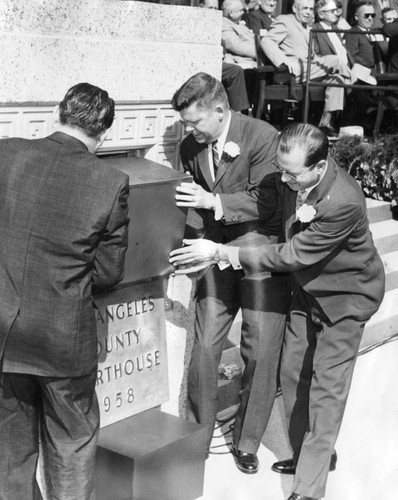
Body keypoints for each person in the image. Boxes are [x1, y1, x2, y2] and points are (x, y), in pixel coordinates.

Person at [170, 122, 385, 500]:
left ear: (320, 168)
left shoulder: (344, 201)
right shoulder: (292, 177)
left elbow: (292, 254)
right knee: (291, 373)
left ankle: (310, 487)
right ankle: (309, 453)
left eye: (292, 173)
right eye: (280, 169)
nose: (283, 179)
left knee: (325, 391)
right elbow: (264, 204)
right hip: (307, 290)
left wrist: (221, 253)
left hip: (345, 300)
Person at [0, 83, 130, 499]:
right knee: (71, 443)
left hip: (5, 333)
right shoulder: (110, 182)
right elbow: (109, 273)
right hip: (63, 341)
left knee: (11, 446)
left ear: (58, 113)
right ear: (103, 133)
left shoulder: (7, 153)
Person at [171, 73, 290, 474]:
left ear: (220, 111)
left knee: (260, 350)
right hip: (213, 257)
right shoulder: (191, 146)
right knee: (205, 348)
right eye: (186, 123)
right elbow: (190, 202)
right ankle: (197, 436)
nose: (189, 131)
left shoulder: (262, 136)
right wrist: (190, 249)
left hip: (259, 257)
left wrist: (214, 200)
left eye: (194, 122)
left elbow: (268, 200)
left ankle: (246, 441)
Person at [260, 0, 352, 136]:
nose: (308, 12)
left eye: (310, 9)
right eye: (304, 8)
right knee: (336, 60)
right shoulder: (285, 21)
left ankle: (325, 122)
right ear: (294, 8)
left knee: (337, 79)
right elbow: (266, 41)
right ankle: (355, 84)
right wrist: (284, 60)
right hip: (290, 73)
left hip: (309, 71)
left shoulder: (307, 28)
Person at [200, 0, 251, 112]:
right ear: (201, 6)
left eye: (215, 8)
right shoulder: (198, 21)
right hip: (201, 62)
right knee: (235, 71)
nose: (213, 11)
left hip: (216, 60)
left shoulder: (216, 23)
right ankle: (239, 114)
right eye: (210, 8)